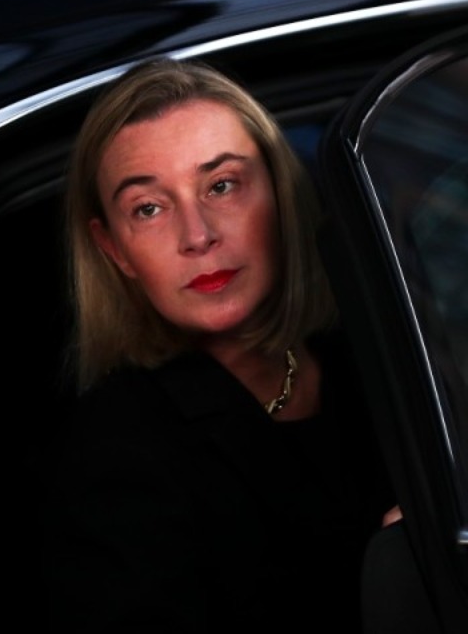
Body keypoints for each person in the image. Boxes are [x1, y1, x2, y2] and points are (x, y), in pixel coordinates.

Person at [37, 57, 400, 633]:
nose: (198, 235)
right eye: (149, 208)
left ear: (280, 192)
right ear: (115, 250)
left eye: (222, 185)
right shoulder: (113, 455)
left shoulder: (377, 347)